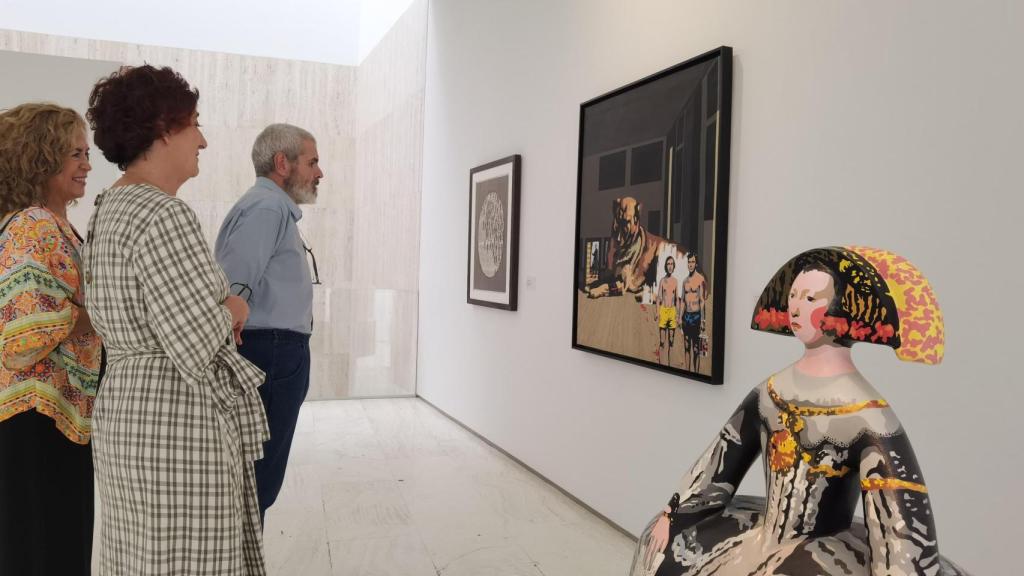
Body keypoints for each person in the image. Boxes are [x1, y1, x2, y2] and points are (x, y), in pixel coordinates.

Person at [630, 246, 970, 576]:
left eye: (810, 299)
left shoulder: (867, 415)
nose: (796, 308)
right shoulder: (770, 392)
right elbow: (720, 458)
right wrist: (675, 512)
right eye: (793, 296)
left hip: (824, 551)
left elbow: (900, 522)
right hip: (763, 537)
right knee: (658, 544)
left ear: (840, 309)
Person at [83, 65, 269, 575]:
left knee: (140, 557)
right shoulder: (163, 213)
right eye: (195, 123)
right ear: (164, 128)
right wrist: (234, 307)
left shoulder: (109, 206)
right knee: (189, 561)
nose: (203, 139)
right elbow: (193, 341)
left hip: (126, 408)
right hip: (173, 415)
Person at [0, 102, 102, 576]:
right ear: (40, 158)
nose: (86, 165)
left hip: (52, 417)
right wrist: (105, 311)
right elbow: (22, 337)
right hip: (35, 422)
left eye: (86, 152)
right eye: (74, 154)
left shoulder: (53, 223)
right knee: (44, 550)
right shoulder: (34, 225)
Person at [214, 123, 323, 524]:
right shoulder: (267, 207)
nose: (319, 173)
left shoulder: (269, 207)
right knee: (258, 480)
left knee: (258, 477)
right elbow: (235, 283)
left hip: (273, 351)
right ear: (283, 163)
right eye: (312, 162)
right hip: (269, 353)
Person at [680, 253, 705, 372]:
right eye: (689, 262)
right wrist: (680, 318)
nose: (690, 264)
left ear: (696, 264)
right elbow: (683, 301)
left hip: (696, 316)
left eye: (692, 262)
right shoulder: (685, 281)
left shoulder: (700, 279)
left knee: (696, 348)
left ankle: (697, 373)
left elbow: (702, 301)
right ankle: (687, 371)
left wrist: (703, 320)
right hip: (686, 316)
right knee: (686, 346)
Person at [655, 256, 679, 365]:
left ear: (674, 266)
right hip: (664, 311)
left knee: (671, 341)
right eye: (668, 264)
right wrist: (657, 312)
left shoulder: (675, 281)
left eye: (672, 264)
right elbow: (658, 298)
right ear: (666, 266)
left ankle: (670, 365)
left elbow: (677, 299)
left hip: (672, 312)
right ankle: (661, 365)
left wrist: (677, 315)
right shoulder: (662, 281)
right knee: (662, 341)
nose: (670, 266)